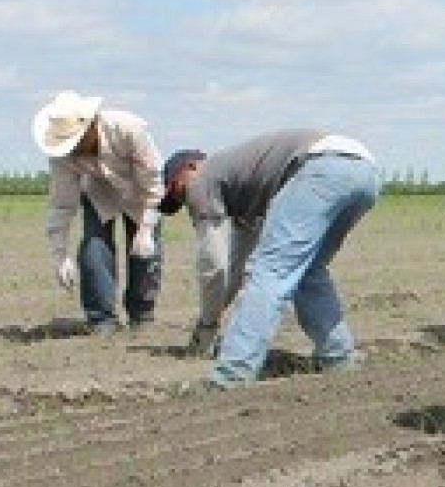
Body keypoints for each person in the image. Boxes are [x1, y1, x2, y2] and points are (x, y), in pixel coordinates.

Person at [156, 130, 381, 389]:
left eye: (177, 189)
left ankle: (233, 374)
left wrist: (206, 325)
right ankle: (339, 358)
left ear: (191, 166)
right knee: (309, 270)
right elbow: (233, 271)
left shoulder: (202, 178)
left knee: (271, 269)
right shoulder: (243, 192)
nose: (184, 201)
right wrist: (213, 317)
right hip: (364, 172)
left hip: (321, 166)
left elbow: (214, 266)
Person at [32, 90, 165, 335]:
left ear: (91, 125)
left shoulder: (128, 129)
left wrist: (146, 228)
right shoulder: (62, 155)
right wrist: (60, 256)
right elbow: (62, 204)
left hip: (141, 190)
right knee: (93, 247)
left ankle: (142, 314)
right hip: (98, 191)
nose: (76, 149)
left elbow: (154, 181)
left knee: (145, 252)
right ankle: (101, 319)